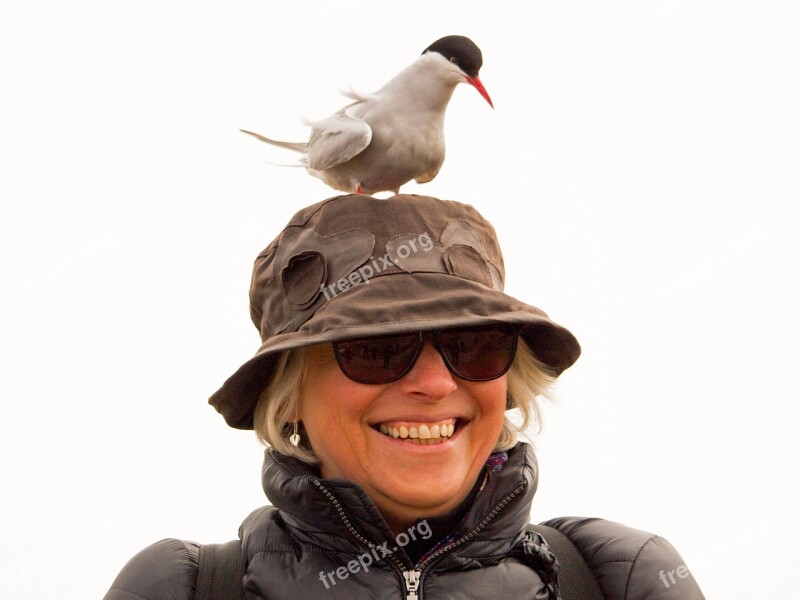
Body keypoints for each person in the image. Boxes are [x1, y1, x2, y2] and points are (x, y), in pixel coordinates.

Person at [104, 194, 705, 599]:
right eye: (374, 349)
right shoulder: (180, 589)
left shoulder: (618, 578)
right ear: (285, 397)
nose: (436, 383)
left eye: (471, 344)